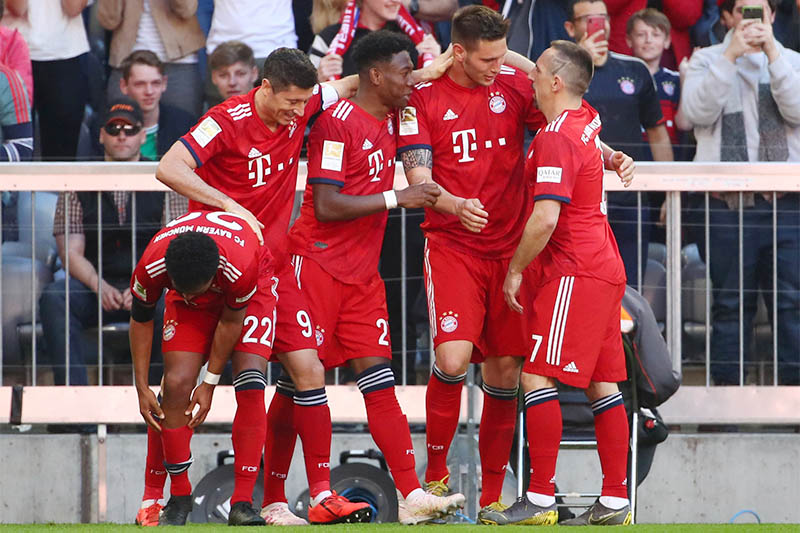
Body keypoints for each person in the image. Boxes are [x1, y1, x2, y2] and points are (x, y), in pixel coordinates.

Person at [397, 5, 633, 521]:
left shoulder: (513, 85)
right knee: (456, 359)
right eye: (488, 58)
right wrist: (454, 205)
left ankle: (492, 496)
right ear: (457, 52)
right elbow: (417, 181)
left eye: (505, 55)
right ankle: (434, 480)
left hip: (515, 248)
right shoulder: (422, 99)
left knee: (507, 372)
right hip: (454, 244)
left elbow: (563, 118)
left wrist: (609, 154)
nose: (499, 66)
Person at [155, 47, 371, 525]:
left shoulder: (306, 102)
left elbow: (357, 82)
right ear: (265, 87)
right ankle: (171, 495)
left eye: (305, 102)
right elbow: (168, 167)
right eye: (291, 102)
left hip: (267, 273)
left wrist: (433, 69)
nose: (300, 112)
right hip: (216, 270)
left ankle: (299, 497)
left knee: (299, 370)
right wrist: (231, 207)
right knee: (179, 384)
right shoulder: (224, 119)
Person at [282, 29, 465, 524]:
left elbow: (426, 76)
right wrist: (394, 198)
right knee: (296, 382)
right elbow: (325, 203)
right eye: (403, 72)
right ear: (376, 75)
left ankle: (410, 494)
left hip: (362, 277)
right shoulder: (337, 124)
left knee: (380, 381)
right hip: (315, 264)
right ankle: (280, 498)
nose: (411, 80)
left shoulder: (394, 116)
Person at [500, 40, 630, 526]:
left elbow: (545, 219)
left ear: (555, 82)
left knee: (536, 374)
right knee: (603, 383)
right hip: (604, 267)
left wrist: (515, 268)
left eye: (537, 72)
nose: (529, 77)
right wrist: (615, 155)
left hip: (575, 270)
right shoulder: (586, 116)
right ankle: (615, 501)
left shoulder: (554, 136)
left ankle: (538, 498)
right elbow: (563, 81)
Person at [129, 211, 277, 526]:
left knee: (251, 381)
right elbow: (141, 319)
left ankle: (242, 503)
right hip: (192, 306)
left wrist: (209, 382)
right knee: (177, 384)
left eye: (196, 290)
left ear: (213, 276)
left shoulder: (240, 267)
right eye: (181, 289)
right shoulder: (152, 264)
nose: (190, 295)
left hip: (251, 290)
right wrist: (141, 386)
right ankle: (180, 496)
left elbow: (231, 320)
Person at [680, 0, 800, 385]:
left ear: (773, 17)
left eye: (760, 12)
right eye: (744, 12)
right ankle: (726, 406)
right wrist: (729, 56)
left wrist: (773, 55)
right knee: (730, 306)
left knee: (792, 306)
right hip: (726, 207)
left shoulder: (791, 60)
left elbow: (797, 110)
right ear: (728, 18)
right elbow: (696, 113)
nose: (753, 21)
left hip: (785, 203)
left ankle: (793, 407)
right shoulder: (706, 60)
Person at [40, 99, 173, 387]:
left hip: (152, 285)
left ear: (142, 135)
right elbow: (69, 252)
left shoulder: (166, 178)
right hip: (96, 284)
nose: (122, 135)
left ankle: (159, 401)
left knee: (172, 303)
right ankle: (75, 408)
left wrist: (144, 286)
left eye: (130, 128)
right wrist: (98, 285)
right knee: (55, 298)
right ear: (101, 135)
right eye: (113, 129)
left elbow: (172, 247)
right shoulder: (78, 181)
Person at [566, 0, 673, 285]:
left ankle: (628, 332)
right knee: (583, 282)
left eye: (602, 18)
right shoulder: (560, 74)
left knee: (629, 282)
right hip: (576, 200)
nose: (598, 25)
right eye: (588, 19)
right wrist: (579, 65)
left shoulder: (635, 69)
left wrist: (667, 188)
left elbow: (657, 132)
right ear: (570, 27)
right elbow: (551, 118)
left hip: (629, 197)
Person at [4, 0, 89, 160]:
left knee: (62, 155)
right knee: (15, 143)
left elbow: (74, 8)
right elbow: (17, 8)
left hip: (66, 52)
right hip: (14, 51)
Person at [97, 0, 205, 118]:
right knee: (120, 124)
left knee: (184, 126)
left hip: (179, 61)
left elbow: (187, 10)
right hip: (126, 61)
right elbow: (108, 21)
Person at [310, 0, 444, 82]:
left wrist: (438, 62)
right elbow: (305, 110)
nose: (396, 0)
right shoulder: (329, 38)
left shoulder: (418, 37)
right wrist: (318, 82)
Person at [626, 8, 692, 157]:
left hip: (669, 160)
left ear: (667, 41)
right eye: (641, 35)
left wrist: (685, 81)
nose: (648, 40)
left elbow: (684, 123)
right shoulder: (621, 79)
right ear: (629, 40)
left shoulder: (676, 79)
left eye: (655, 35)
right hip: (629, 158)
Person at [207, 40, 259, 106]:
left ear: (254, 74)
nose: (232, 82)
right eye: (223, 75)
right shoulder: (211, 115)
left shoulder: (270, 112)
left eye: (241, 74)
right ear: (213, 77)